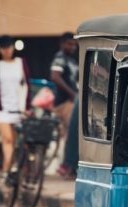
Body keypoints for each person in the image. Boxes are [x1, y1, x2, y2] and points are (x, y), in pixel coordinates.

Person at [0, 35, 31, 181]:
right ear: (0, 50)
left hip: (18, 108)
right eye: (4, 48)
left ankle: (12, 170)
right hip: (0, 109)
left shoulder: (21, 63)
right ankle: (6, 170)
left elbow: (27, 85)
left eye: (9, 47)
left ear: (13, 48)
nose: (7, 50)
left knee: (15, 142)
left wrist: (27, 107)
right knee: (7, 139)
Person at [50, 32, 78, 179]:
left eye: (74, 44)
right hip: (64, 103)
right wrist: (73, 95)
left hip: (70, 101)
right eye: (69, 43)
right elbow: (55, 76)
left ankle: (68, 166)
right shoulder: (60, 58)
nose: (72, 46)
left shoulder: (71, 60)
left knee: (70, 134)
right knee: (73, 133)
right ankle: (67, 166)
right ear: (62, 44)